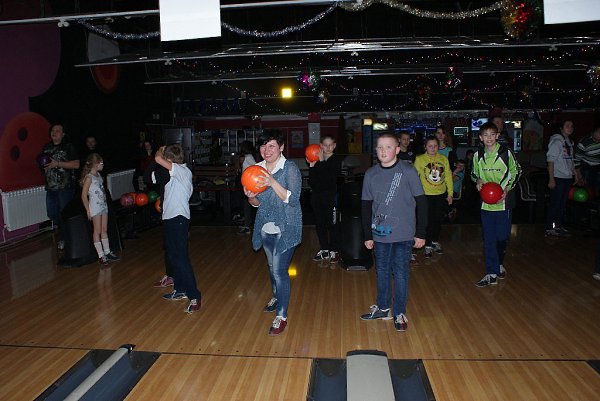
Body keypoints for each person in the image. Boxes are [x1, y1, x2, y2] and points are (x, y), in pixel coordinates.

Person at [359, 133, 427, 332]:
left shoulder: (408, 171)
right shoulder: (371, 174)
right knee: (381, 271)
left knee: (401, 273)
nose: (383, 151)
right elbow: (365, 206)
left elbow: (422, 202)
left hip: (404, 234)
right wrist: (367, 234)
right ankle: (382, 308)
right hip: (380, 234)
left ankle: (398, 312)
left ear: (397, 149)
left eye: (388, 147)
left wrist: (421, 232)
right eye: (380, 147)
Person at [244, 132, 302, 336]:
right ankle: (277, 296)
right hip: (265, 226)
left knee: (279, 271)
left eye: (271, 146)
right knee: (271, 267)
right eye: (263, 146)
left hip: (287, 227)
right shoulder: (256, 168)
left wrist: (271, 182)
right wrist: (251, 197)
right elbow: (257, 204)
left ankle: (281, 316)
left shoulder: (290, 168)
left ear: (281, 147)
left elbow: (292, 199)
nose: (266, 150)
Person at [471, 122, 522, 287]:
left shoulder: (506, 153)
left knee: (502, 237)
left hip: (503, 202)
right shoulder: (478, 155)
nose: (489, 138)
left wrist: (507, 189)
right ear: (480, 137)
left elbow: (517, 171)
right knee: (489, 239)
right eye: (485, 135)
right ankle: (491, 273)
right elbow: (473, 173)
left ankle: (499, 262)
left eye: (492, 134)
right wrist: (478, 180)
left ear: (497, 136)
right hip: (486, 204)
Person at [155, 144, 201, 314]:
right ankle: (180, 289)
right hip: (169, 218)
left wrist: (160, 151)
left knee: (181, 258)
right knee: (174, 257)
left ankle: (195, 296)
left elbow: (157, 159)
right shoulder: (173, 173)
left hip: (179, 218)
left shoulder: (183, 171)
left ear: (169, 159)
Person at [41, 123, 80, 250]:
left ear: (63, 134)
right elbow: (44, 165)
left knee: (64, 214)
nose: (54, 132)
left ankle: (65, 239)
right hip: (51, 187)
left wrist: (57, 163)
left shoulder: (69, 147)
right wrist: (44, 168)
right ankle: (69, 231)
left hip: (65, 187)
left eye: (58, 131)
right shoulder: (46, 147)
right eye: (53, 130)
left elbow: (76, 164)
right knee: (51, 213)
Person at [414, 136, 453, 258]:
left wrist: (450, 193)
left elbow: (448, 177)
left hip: (440, 194)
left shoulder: (443, 159)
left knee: (437, 220)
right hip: (425, 195)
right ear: (425, 147)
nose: (433, 148)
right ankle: (427, 245)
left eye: (435, 146)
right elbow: (414, 178)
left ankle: (435, 241)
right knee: (427, 221)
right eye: (430, 146)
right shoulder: (420, 159)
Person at [80, 153, 120, 266]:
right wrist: (88, 210)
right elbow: (83, 195)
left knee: (104, 229)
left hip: (103, 205)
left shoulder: (98, 176)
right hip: (95, 207)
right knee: (97, 231)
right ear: (95, 164)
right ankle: (101, 255)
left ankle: (107, 252)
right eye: (101, 163)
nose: (103, 165)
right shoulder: (89, 178)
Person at [308, 135, 343, 264]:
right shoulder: (316, 160)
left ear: (334, 146)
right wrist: (312, 166)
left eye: (330, 145)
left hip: (330, 197)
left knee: (332, 224)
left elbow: (329, 179)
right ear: (321, 146)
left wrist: (322, 161)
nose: (328, 147)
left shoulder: (336, 160)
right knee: (320, 225)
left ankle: (334, 250)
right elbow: (312, 182)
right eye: (325, 145)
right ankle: (324, 249)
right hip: (317, 198)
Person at [546, 120, 579, 237]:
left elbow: (571, 160)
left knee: (562, 204)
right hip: (558, 177)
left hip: (567, 177)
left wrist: (575, 173)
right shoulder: (556, 141)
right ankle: (551, 228)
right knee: (555, 203)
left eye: (572, 126)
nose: (570, 128)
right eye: (567, 126)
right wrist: (551, 179)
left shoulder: (569, 142)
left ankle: (558, 226)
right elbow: (550, 161)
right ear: (561, 128)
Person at [144, 158, 173, 288]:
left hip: (170, 214)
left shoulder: (164, 171)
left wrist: (155, 160)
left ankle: (172, 277)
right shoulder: (183, 170)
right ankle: (173, 276)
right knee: (175, 248)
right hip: (180, 214)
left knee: (169, 247)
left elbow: (147, 177)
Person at [238, 141, 258, 235]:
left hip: (249, 186)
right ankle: (247, 224)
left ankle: (247, 227)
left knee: (247, 206)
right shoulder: (248, 157)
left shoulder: (248, 157)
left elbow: (256, 167)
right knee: (246, 205)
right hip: (248, 185)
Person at [574, 126, 600, 196]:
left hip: (598, 166)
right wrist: (579, 176)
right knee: (588, 190)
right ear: (593, 133)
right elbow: (576, 161)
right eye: (598, 132)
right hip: (587, 167)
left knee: (597, 188)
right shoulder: (583, 143)